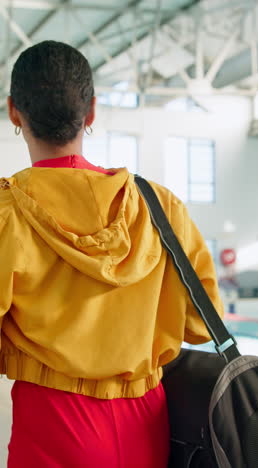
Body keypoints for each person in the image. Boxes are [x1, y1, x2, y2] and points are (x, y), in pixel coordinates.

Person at [0, 41, 224, 468]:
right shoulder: (160, 207)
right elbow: (201, 322)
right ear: (91, 113)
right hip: (148, 423)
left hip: (52, 422)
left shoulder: (7, 215)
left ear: (14, 112)